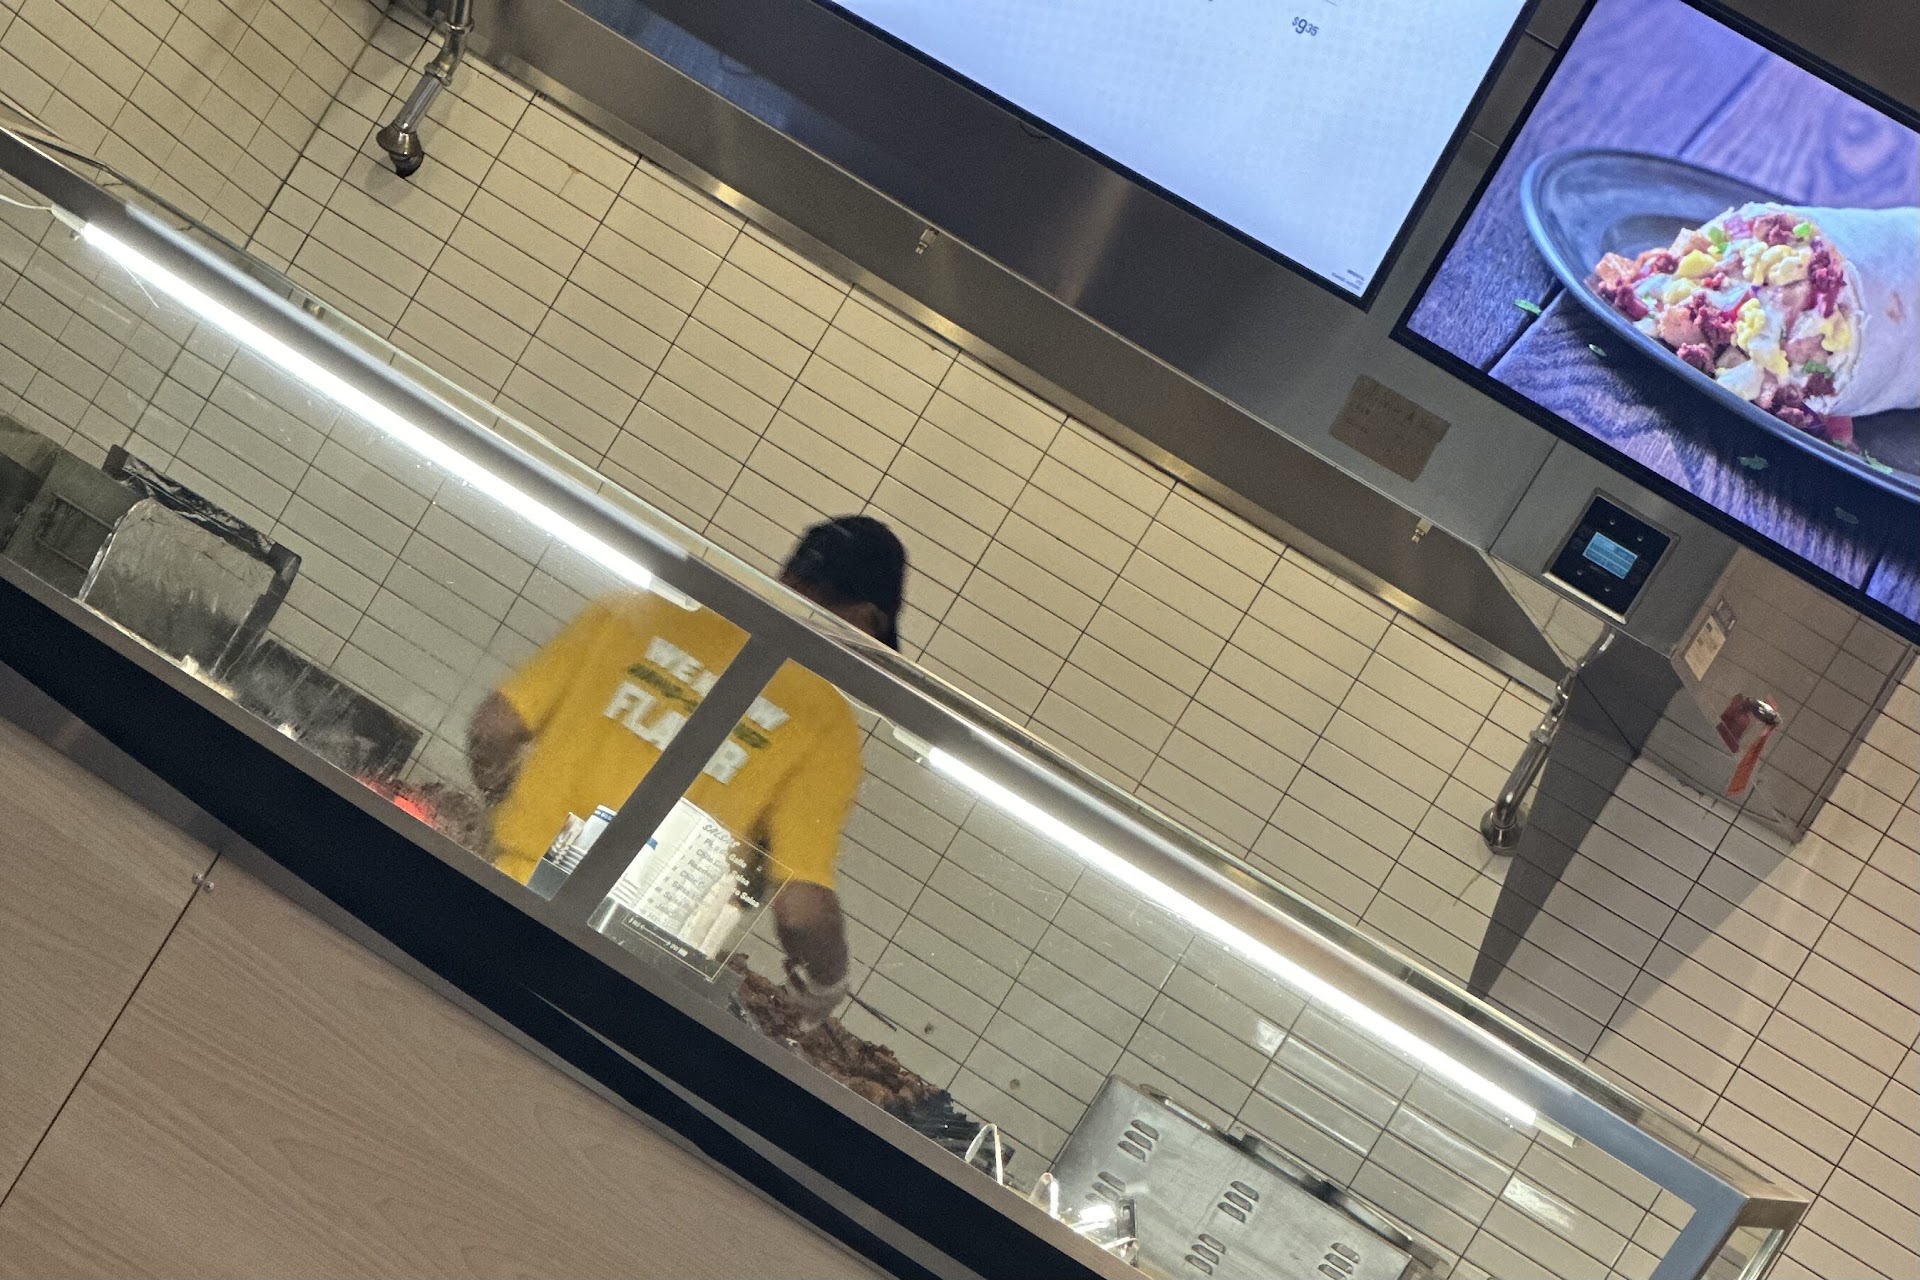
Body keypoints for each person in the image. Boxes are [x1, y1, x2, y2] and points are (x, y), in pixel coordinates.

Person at [467, 515, 907, 1027]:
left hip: (500, 895)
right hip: (631, 970)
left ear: (789, 576)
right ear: (867, 619)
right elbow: (801, 909)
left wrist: (506, 814)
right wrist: (828, 983)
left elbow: (493, 729)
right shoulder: (825, 721)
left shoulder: (636, 614)